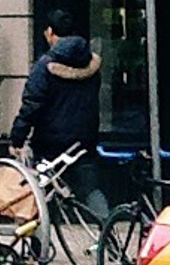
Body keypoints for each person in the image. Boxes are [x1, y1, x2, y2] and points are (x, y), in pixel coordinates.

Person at [9, 9, 102, 172]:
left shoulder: (43, 66)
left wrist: (17, 139)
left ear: (50, 32)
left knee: (48, 188)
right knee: (89, 188)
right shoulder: (91, 63)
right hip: (86, 139)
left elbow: (31, 105)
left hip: (50, 143)